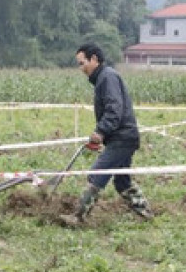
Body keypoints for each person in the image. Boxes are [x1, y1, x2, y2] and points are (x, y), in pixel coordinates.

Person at [59, 43, 153, 226]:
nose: (81, 69)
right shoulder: (104, 77)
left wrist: (101, 131)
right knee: (122, 182)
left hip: (122, 138)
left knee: (97, 173)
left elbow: (114, 109)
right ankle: (146, 214)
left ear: (94, 59)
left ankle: (78, 217)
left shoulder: (107, 77)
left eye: (82, 63)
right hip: (123, 137)